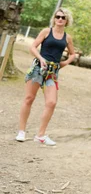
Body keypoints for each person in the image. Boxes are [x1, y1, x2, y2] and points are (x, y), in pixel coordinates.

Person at [16, 8, 77, 145]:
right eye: (57, 16)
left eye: (63, 17)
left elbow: (72, 54)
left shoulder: (67, 37)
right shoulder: (46, 32)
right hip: (38, 68)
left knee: (51, 102)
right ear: (54, 18)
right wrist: (41, 58)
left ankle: (40, 135)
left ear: (67, 20)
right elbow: (32, 47)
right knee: (29, 98)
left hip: (52, 73)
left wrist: (65, 63)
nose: (60, 19)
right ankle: (21, 131)